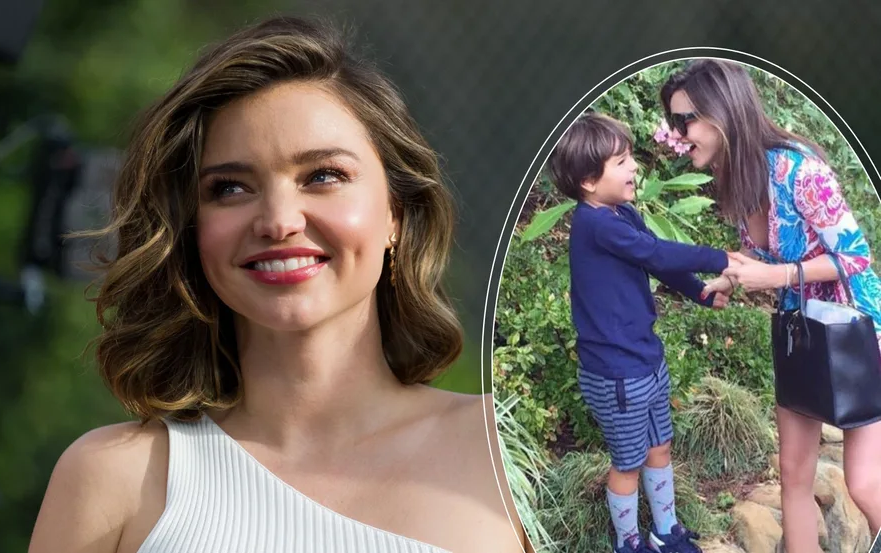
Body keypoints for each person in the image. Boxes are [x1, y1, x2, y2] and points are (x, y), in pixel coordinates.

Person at [28, 16, 527, 553]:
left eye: (323, 176)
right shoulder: (110, 478)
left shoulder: (520, 458)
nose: (279, 220)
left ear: (396, 215)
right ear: (191, 230)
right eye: (230, 188)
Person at [664, 58, 881, 553]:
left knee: (866, 483)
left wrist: (778, 276)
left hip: (856, 333)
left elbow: (856, 255)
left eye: (685, 121)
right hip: (800, 334)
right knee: (792, 477)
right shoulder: (738, 179)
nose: (678, 135)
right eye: (675, 123)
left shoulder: (799, 169)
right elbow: (765, 255)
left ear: (721, 112)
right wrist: (731, 277)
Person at [546, 112, 737, 553]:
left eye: (631, 158)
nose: (634, 168)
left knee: (660, 446)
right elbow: (657, 251)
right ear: (589, 181)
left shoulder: (621, 214)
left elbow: (654, 260)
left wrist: (701, 293)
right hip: (617, 374)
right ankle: (628, 542)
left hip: (645, 360)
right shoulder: (596, 224)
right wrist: (720, 258)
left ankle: (664, 531)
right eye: (622, 162)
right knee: (628, 463)